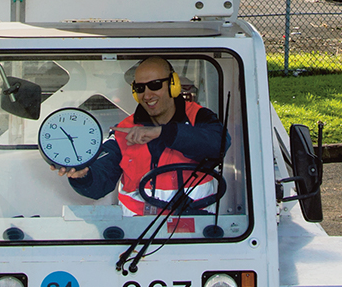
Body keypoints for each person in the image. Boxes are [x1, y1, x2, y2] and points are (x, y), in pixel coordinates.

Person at [51, 57, 226, 216]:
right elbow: (100, 181)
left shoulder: (198, 116)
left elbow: (218, 143)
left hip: (197, 231)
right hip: (138, 233)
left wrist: (163, 133)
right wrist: (83, 175)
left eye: (155, 85)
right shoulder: (124, 130)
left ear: (173, 85)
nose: (147, 95)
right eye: (140, 88)